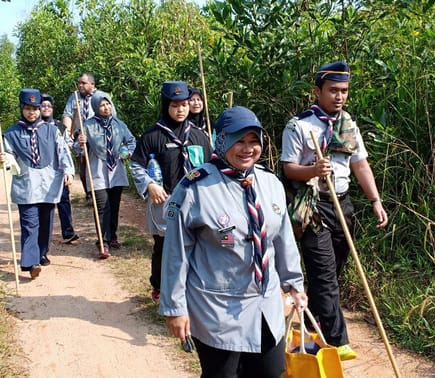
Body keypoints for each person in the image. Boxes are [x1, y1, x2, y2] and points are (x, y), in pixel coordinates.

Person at [160, 106, 308, 378]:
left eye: (254, 141)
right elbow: (175, 253)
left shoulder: (271, 183)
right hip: (218, 310)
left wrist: (294, 285)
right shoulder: (194, 187)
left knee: (271, 373)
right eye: (239, 140)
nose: (247, 149)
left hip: (266, 307)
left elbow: (283, 239)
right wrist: (175, 308)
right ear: (221, 140)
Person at [280, 61, 389, 361]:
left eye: (344, 91)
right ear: (317, 91)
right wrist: (312, 169)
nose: (339, 97)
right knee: (324, 274)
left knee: (332, 271)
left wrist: (376, 200)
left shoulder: (348, 124)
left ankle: (310, 326)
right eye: (333, 91)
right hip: (312, 206)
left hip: (343, 203)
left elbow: (360, 164)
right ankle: (338, 342)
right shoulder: (299, 125)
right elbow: (288, 169)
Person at [130, 81, 212, 302]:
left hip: (195, 201)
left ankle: (190, 289)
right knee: (165, 246)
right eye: (175, 105)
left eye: (184, 104)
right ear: (166, 105)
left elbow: (212, 166)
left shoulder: (199, 135)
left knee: (196, 244)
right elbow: (136, 165)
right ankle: (159, 287)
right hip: (165, 200)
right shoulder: (153, 135)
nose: (181, 110)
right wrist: (150, 184)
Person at [0, 89, 75, 279]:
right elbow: (8, 157)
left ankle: (40, 254)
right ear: (22, 108)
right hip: (26, 186)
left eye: (35, 109)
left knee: (46, 224)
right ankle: (31, 264)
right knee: (30, 224)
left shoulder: (52, 130)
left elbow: (63, 152)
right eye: (28, 108)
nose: (32, 112)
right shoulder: (12, 133)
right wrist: (3, 159)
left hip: (49, 185)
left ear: (40, 109)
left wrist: (69, 171)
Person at [74, 91, 136, 259]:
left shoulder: (119, 124)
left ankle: (113, 235)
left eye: (108, 103)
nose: (106, 107)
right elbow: (77, 148)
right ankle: (103, 242)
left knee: (114, 206)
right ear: (95, 107)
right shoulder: (87, 125)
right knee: (102, 207)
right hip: (97, 171)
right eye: (102, 104)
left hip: (116, 171)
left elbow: (131, 141)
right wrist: (81, 143)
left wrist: (127, 152)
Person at [62, 73, 117, 206]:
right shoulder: (74, 97)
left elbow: (112, 116)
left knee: (97, 166)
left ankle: (102, 192)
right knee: (83, 167)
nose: (80, 85)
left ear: (92, 84)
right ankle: (89, 194)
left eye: (84, 83)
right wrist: (68, 133)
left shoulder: (102, 97)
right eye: (79, 82)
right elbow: (67, 115)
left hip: (98, 138)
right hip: (80, 137)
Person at [42, 93, 79, 245]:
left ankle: (68, 232)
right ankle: (43, 236)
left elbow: (66, 148)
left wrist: (67, 170)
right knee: (44, 205)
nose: (46, 108)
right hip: (42, 171)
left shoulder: (60, 127)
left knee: (64, 200)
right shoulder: (33, 127)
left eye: (49, 106)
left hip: (59, 170)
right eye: (43, 105)